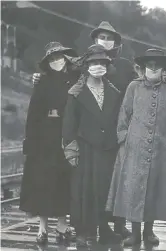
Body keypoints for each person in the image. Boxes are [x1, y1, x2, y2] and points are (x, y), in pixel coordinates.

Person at [33, 21, 136, 238]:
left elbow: (135, 90)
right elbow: (59, 75)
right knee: (85, 188)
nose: (105, 41)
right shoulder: (78, 81)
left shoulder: (124, 71)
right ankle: (85, 230)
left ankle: (111, 226)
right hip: (86, 141)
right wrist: (40, 77)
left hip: (111, 139)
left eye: (109, 38)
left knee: (111, 185)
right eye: (102, 37)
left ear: (116, 43)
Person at [106, 49, 166, 247]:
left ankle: (149, 232)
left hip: (161, 147)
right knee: (135, 190)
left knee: (153, 189)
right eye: (149, 65)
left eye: (157, 65)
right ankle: (135, 233)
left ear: (163, 68)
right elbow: (124, 114)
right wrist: (124, 139)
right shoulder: (133, 87)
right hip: (134, 147)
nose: (153, 68)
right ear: (143, 68)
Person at [62, 44, 123, 247]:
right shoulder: (76, 92)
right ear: (87, 66)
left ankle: (104, 229)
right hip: (85, 148)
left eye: (102, 63)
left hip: (108, 149)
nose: (98, 66)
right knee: (83, 191)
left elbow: (118, 121)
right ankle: (82, 231)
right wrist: (71, 150)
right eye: (94, 62)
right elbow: (69, 124)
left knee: (105, 191)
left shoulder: (114, 92)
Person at [19, 42, 79, 245]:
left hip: (67, 136)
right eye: (52, 59)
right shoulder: (42, 82)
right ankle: (42, 228)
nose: (57, 61)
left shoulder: (75, 79)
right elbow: (33, 113)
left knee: (65, 181)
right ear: (47, 63)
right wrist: (30, 139)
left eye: (59, 57)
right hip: (45, 139)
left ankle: (62, 225)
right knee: (42, 182)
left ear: (66, 58)